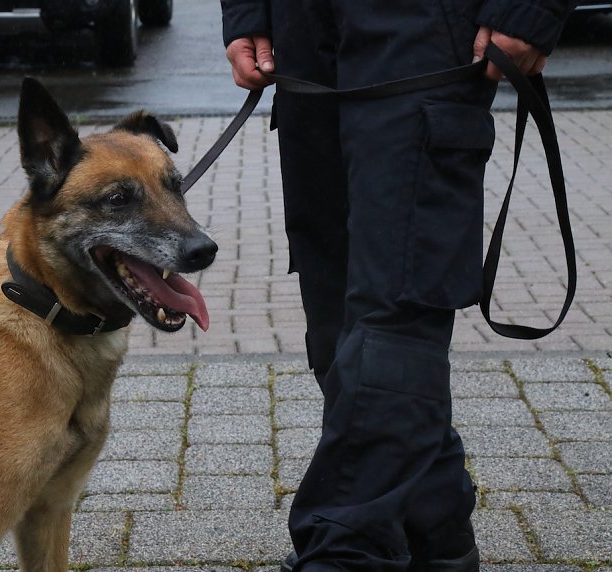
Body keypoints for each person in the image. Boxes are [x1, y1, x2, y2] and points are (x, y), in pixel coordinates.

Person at [220, 1, 577, 571]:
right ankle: (433, 533)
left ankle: (343, 549)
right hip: (301, 28)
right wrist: (247, 12)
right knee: (337, 317)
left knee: (397, 302)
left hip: (423, 23)